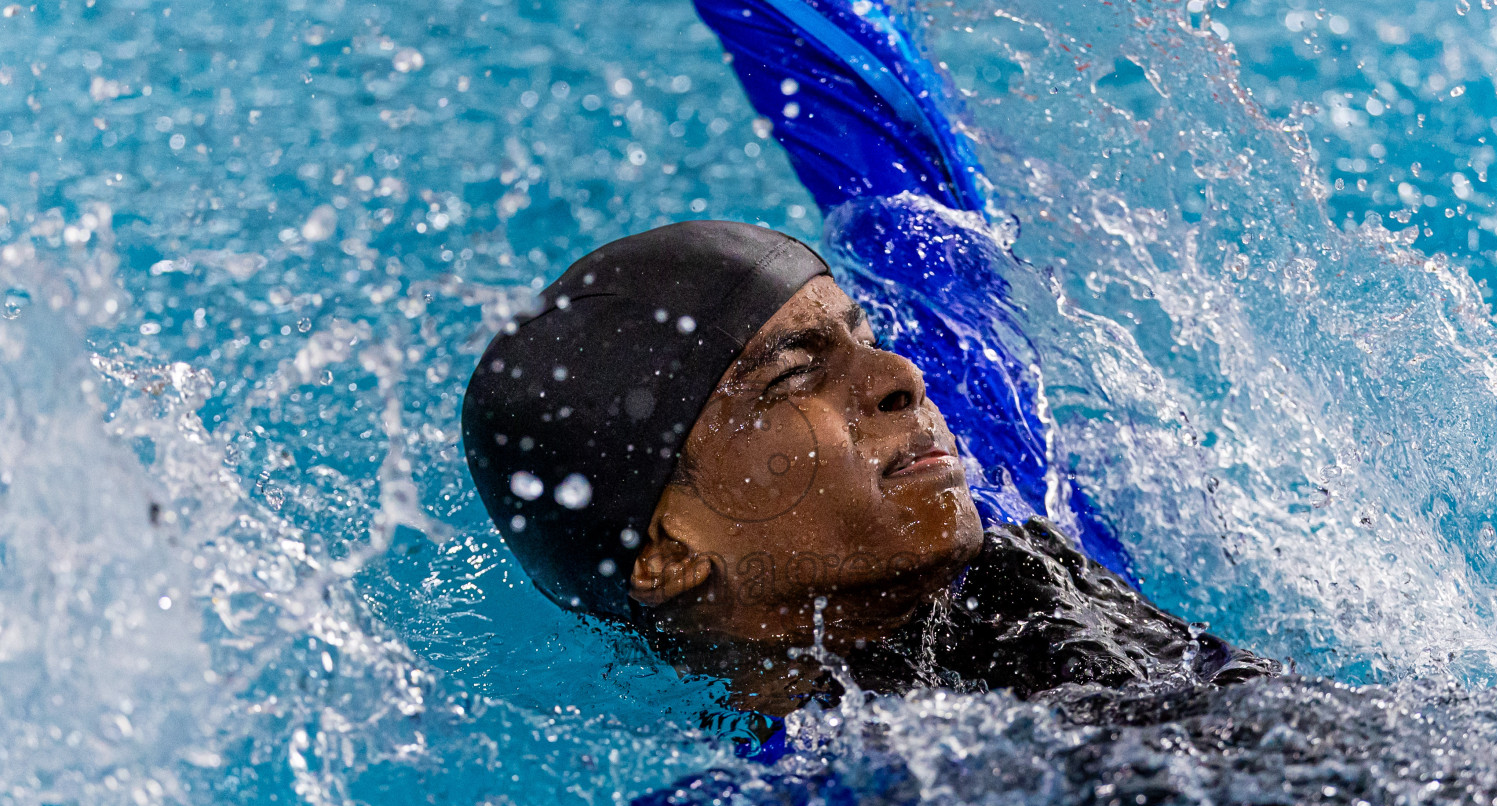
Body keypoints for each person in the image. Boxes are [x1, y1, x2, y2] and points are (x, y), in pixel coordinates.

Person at [461, 220, 1276, 717]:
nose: (899, 378)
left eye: (863, 335)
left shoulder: (1023, 495)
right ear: (666, 552)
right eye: (793, 373)